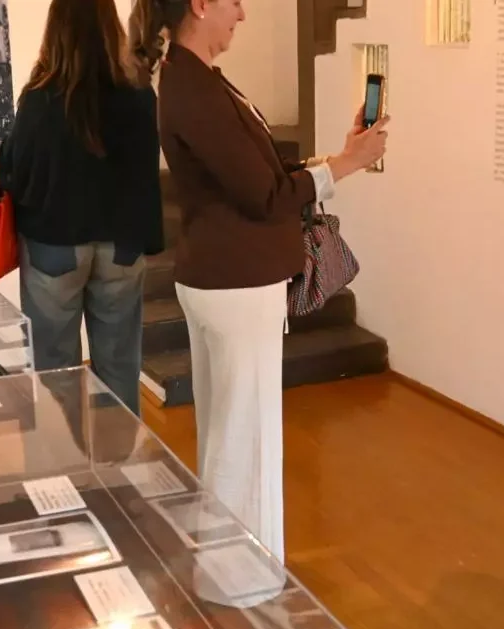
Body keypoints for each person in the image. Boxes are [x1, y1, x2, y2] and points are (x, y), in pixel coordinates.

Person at [130, 0, 389, 563]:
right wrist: (346, 166)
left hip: (226, 280)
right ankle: (240, 578)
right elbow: (266, 196)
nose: (242, 14)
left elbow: (262, 174)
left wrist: (340, 157)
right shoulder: (193, 88)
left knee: (233, 432)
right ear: (200, 5)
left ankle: (233, 571)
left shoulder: (194, 79)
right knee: (244, 439)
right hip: (235, 285)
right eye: (234, 2)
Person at [0, 0, 162, 415]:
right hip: (122, 246)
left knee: (55, 372)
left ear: (56, 30)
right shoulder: (139, 93)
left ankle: (63, 471)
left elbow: (16, 172)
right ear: (112, 27)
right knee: (120, 368)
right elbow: (146, 173)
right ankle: (119, 471)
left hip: (56, 246)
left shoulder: (40, 97)